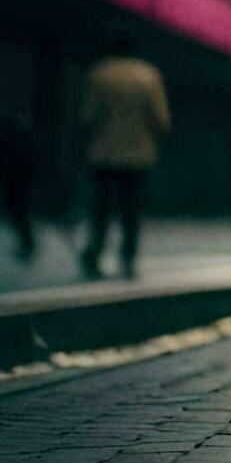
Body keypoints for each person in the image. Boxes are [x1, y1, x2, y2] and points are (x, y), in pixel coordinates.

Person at [78, 32, 171, 278]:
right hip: (138, 155)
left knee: (101, 207)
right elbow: (161, 120)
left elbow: (87, 116)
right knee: (131, 209)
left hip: (103, 153)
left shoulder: (99, 74)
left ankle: (95, 253)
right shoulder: (148, 76)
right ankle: (128, 258)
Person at [0, 109, 37, 260]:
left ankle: (28, 245)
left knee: (19, 213)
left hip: (17, 182)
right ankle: (27, 244)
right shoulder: (22, 139)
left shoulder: (18, 140)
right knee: (18, 213)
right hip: (17, 182)